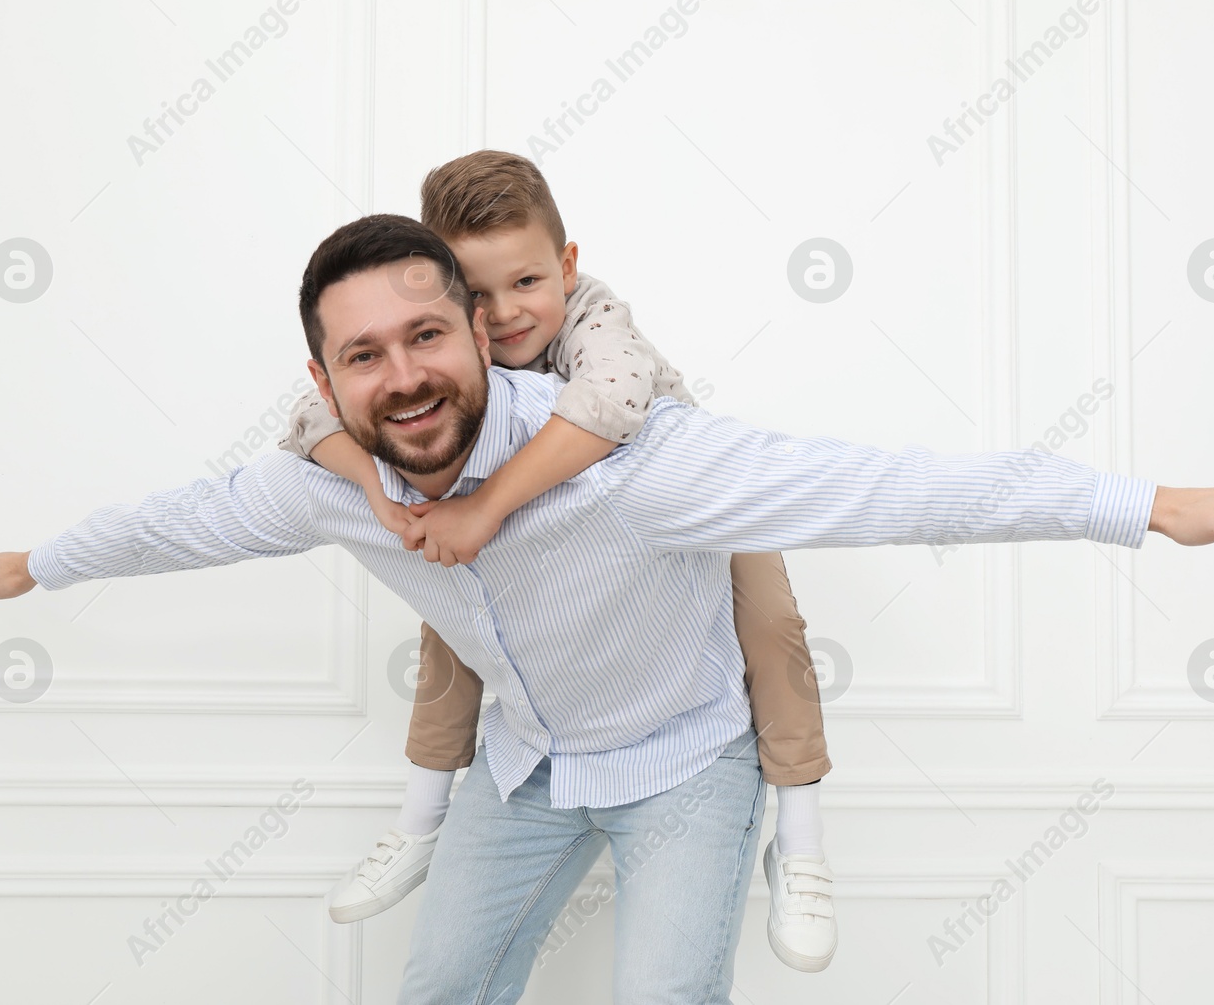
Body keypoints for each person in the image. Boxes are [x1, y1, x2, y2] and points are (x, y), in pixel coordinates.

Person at [0, 213, 1214, 1004]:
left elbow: (896, 485)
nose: (404, 374)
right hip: (526, 767)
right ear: (324, 386)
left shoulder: (641, 465)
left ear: (483, 332)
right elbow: (176, 521)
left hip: (687, 760)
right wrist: (35, 564)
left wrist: (1145, 503)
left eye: (428, 333)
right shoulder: (321, 480)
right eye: (364, 357)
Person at [276, 150, 837, 971]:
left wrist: (484, 505)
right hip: (543, 568)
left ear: (566, 268)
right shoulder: (442, 344)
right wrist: (381, 496)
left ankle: (802, 841)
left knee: (773, 621)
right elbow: (309, 416)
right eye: (477, 293)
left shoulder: (593, 317)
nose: (505, 315)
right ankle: (420, 818)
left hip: (682, 523)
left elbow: (609, 400)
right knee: (450, 617)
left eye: (528, 283)